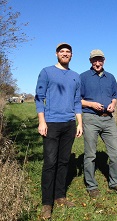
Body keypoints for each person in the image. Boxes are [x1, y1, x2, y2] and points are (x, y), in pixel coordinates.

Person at [35, 43, 83, 220]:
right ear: (56, 54)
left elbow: (77, 101)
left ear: (71, 55)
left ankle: (60, 196)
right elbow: (39, 97)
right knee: (50, 162)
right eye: (62, 51)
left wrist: (79, 123)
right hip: (51, 123)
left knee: (64, 161)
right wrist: (42, 120)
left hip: (69, 124)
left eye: (68, 52)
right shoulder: (46, 72)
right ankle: (47, 203)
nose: (65, 54)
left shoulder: (75, 76)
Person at [80, 49, 117, 198]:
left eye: (100, 60)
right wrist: (91, 104)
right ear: (90, 61)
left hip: (108, 119)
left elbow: (115, 96)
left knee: (115, 153)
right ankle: (91, 186)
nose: (97, 63)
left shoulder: (111, 77)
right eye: (94, 60)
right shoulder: (83, 77)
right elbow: (77, 100)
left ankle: (115, 182)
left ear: (104, 60)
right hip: (90, 118)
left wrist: (113, 104)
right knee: (90, 154)